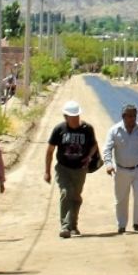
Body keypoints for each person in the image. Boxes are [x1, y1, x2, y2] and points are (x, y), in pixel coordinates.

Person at [44, 100, 98, 239]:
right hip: (63, 168)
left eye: (77, 116)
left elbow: (94, 145)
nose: (75, 119)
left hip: (80, 170)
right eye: (72, 117)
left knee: (75, 197)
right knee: (66, 193)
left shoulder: (87, 129)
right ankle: (65, 226)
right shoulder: (59, 129)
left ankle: (73, 225)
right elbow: (50, 151)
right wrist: (47, 171)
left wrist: (89, 157)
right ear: (65, 117)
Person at [103, 104, 138, 234]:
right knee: (121, 198)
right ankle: (122, 225)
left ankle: (137, 223)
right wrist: (108, 164)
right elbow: (107, 149)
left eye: (134, 115)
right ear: (123, 116)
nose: (133, 118)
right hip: (121, 170)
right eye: (130, 116)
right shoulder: (114, 130)